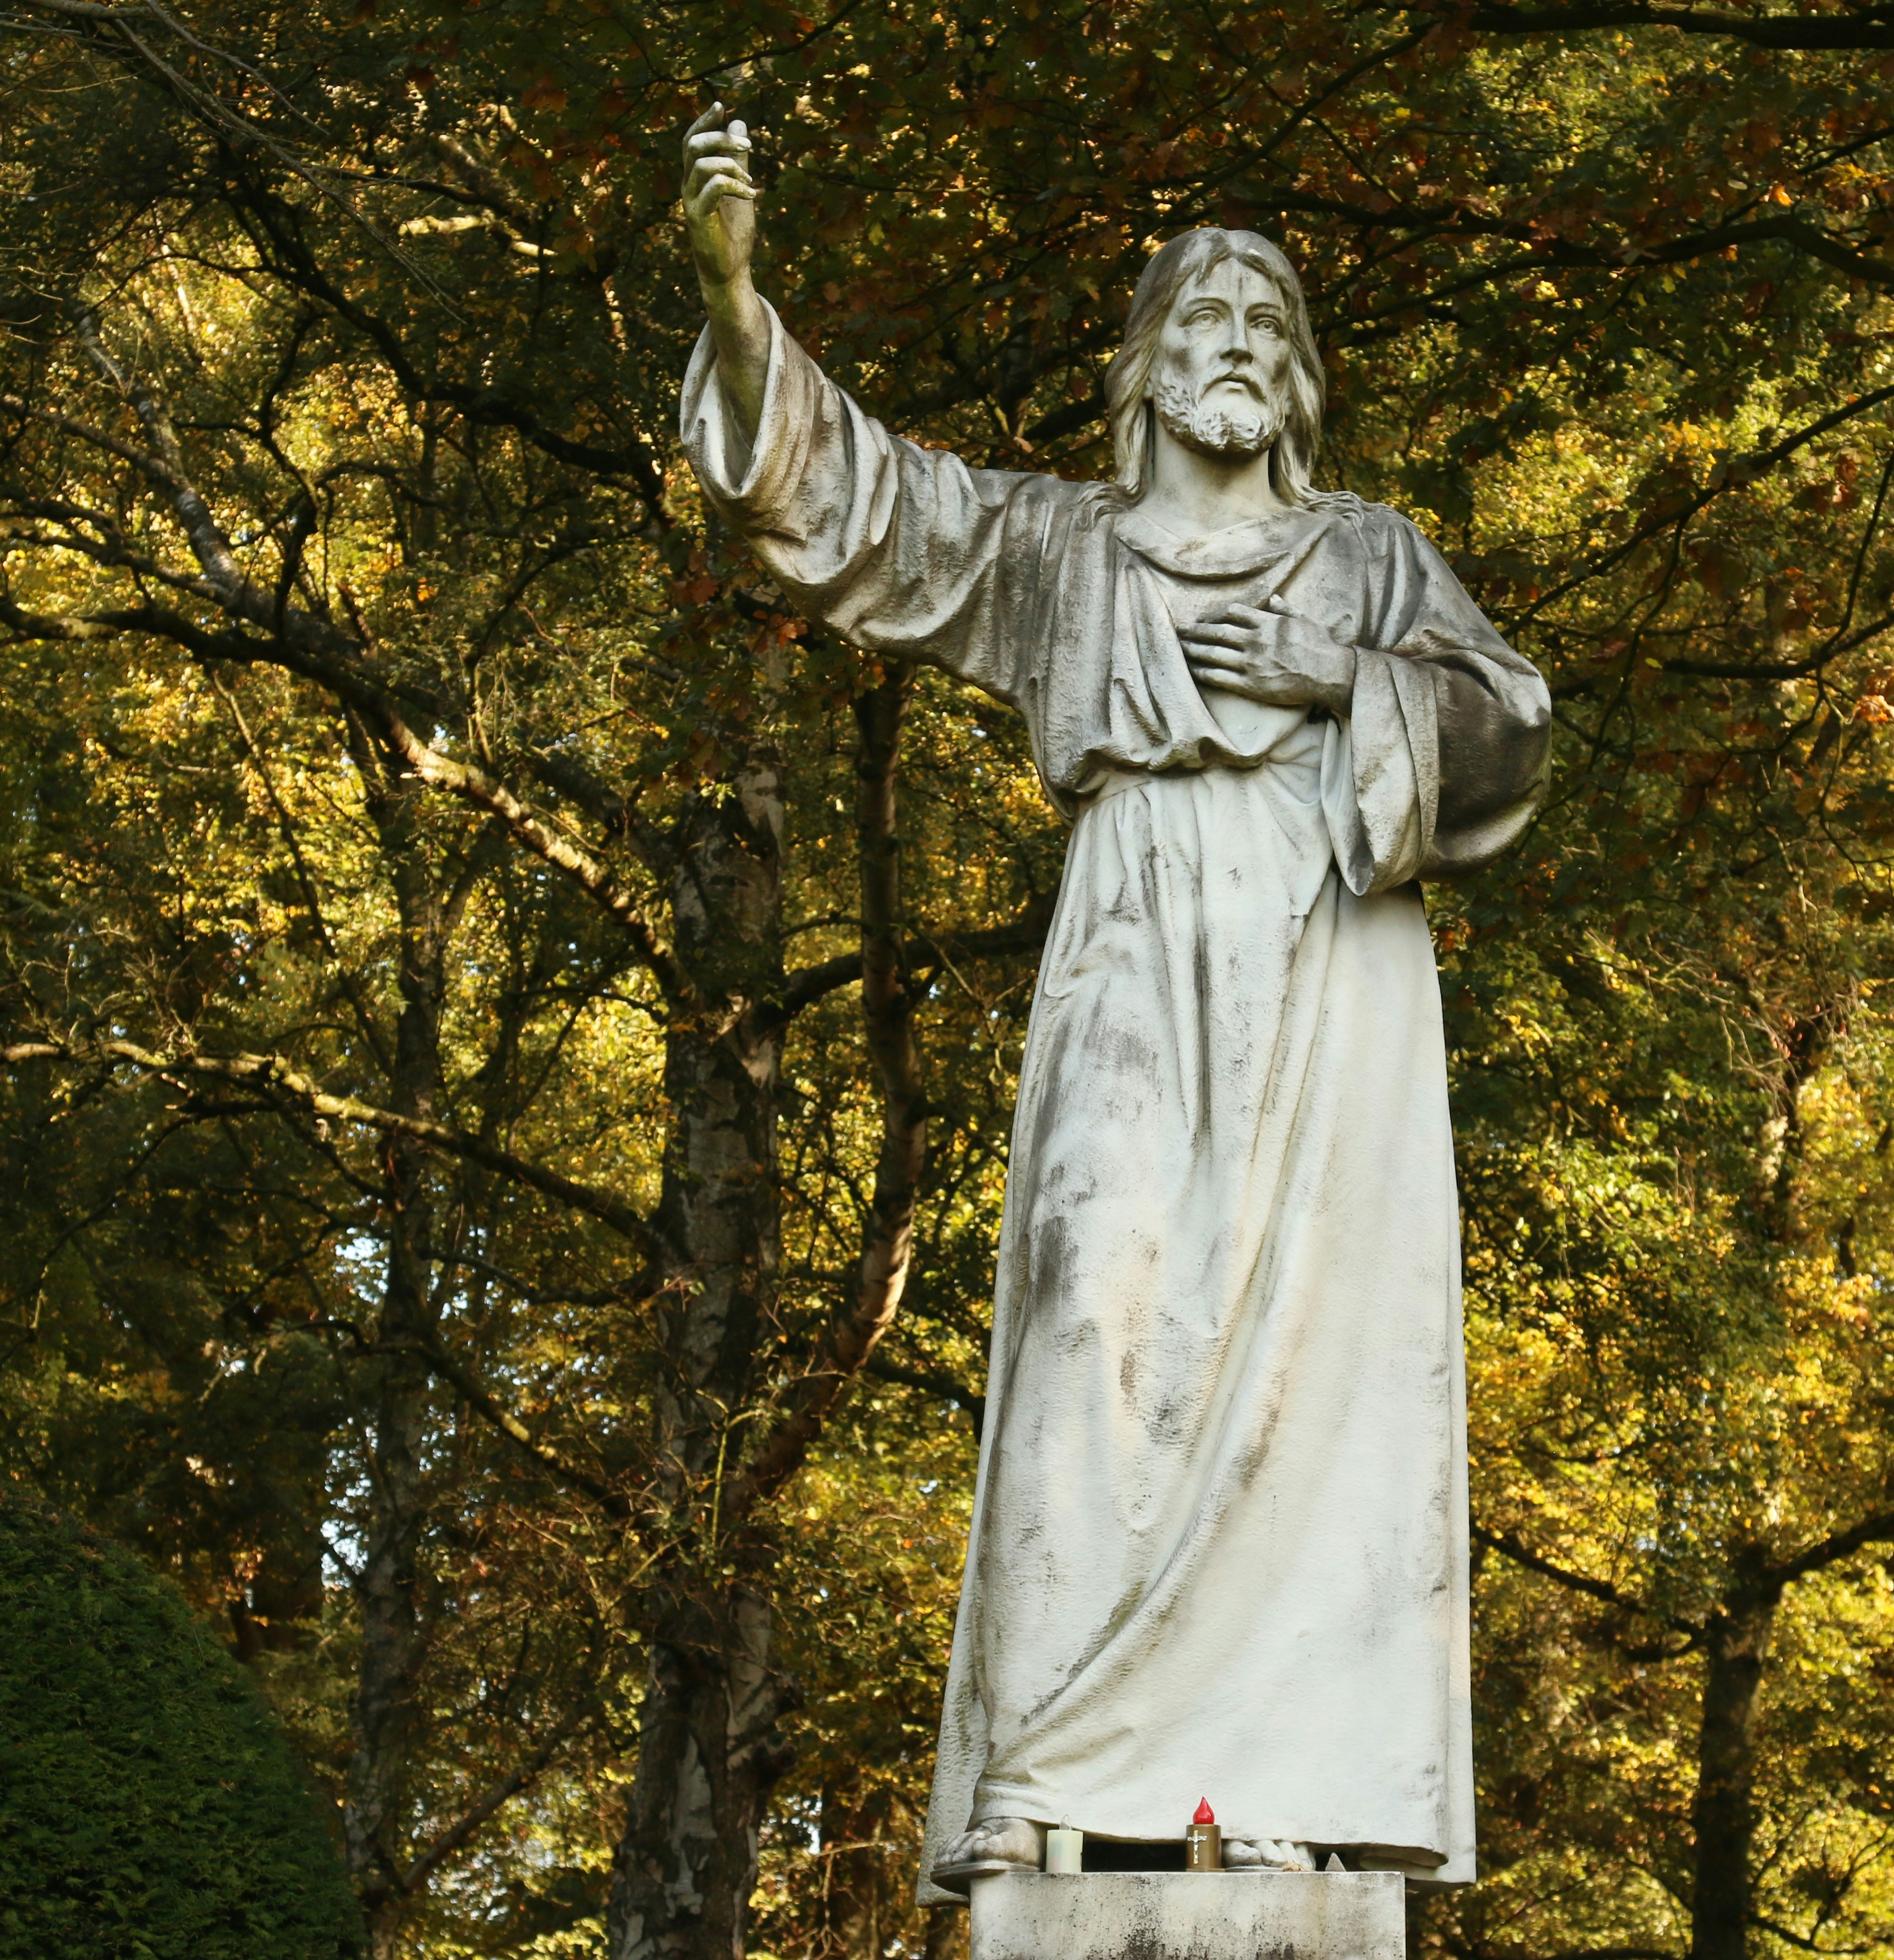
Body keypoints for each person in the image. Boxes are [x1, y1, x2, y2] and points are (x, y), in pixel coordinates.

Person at [679, 104, 1550, 1898]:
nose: (1237, 354)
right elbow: (865, 511)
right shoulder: (1063, 547)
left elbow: (1515, 726)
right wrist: (737, 301)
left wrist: (1338, 679)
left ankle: (1290, 1784)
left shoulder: (1372, 559)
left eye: (1267, 332)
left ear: (1296, 383)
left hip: (1330, 964)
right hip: (1142, 933)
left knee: (1320, 1367)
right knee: (1095, 1312)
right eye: (1204, 326)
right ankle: (1054, 1768)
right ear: (1144, 371)